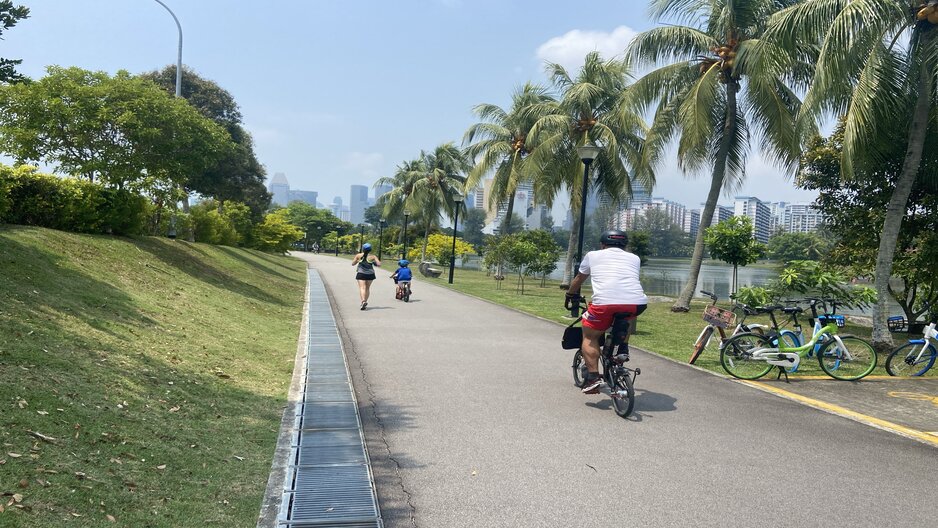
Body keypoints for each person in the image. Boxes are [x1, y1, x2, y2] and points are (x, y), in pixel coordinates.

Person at [566, 230, 648, 394]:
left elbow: (579, 279)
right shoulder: (634, 258)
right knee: (626, 317)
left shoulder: (593, 255)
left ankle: (593, 378)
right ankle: (622, 348)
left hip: (604, 304)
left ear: (603, 245)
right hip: (637, 303)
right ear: (625, 246)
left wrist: (570, 294)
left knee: (590, 337)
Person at [351, 243, 381, 310]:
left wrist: (358, 261)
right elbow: (379, 264)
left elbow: (353, 264)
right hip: (370, 274)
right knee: (367, 288)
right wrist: (374, 263)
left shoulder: (358, 255)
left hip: (361, 273)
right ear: (370, 249)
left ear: (363, 249)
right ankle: (365, 301)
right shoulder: (373, 257)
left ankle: (363, 301)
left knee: (362, 288)